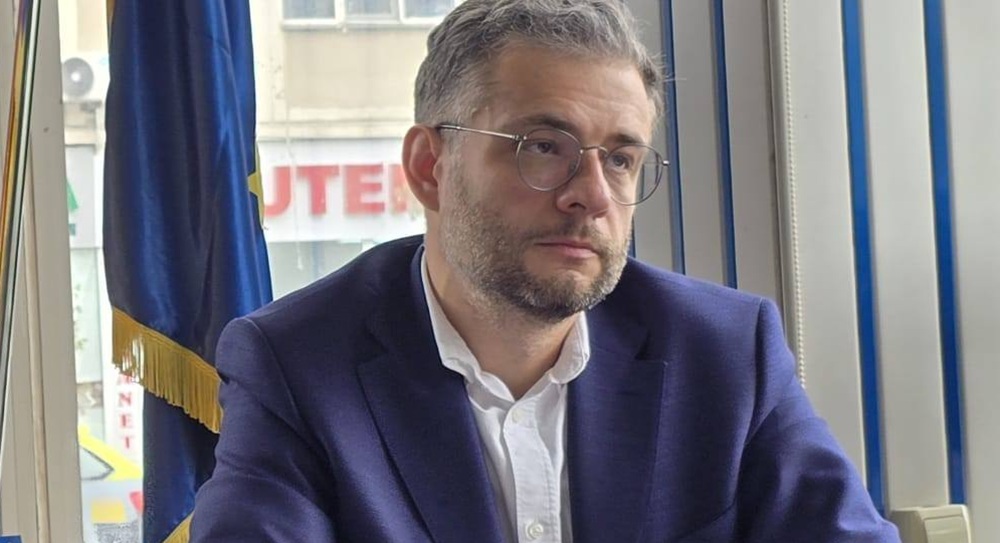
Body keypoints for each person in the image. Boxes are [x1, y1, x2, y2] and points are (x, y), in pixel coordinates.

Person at [191, 1, 900, 541]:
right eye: (542, 146)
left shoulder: (725, 351)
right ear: (430, 167)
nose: (592, 195)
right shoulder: (298, 364)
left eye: (620, 158)